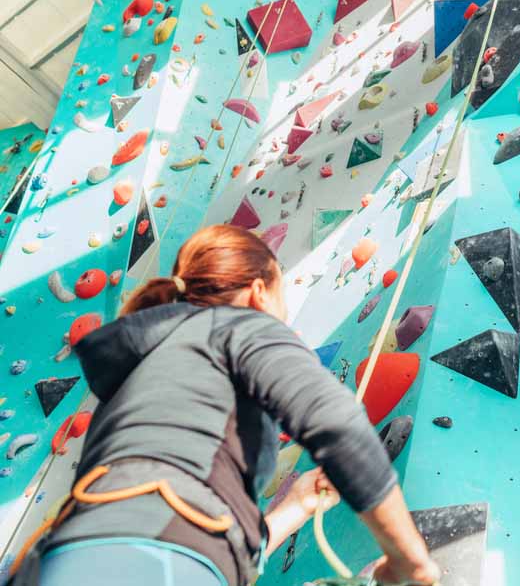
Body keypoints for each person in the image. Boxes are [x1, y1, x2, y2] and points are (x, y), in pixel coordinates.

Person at [12, 225, 440, 586]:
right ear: (258, 292)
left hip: (67, 557)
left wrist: (297, 507)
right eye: (281, 302)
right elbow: (336, 422)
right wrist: (410, 561)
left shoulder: (140, 373)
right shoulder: (240, 326)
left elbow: (188, 527)